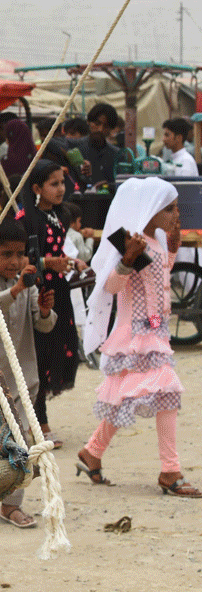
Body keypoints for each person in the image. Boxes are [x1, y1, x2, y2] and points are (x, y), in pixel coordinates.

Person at [80, 177, 200, 497]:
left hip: (153, 328)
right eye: (170, 208)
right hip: (135, 333)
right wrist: (127, 260)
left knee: (126, 395)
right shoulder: (129, 240)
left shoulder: (156, 238)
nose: (177, 215)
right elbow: (112, 287)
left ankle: (92, 452)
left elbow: (157, 281)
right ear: (149, 209)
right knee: (168, 390)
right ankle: (170, 471)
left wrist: (172, 250)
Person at [0, 217, 56, 527]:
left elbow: (44, 324)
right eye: (6, 254)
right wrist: (19, 288)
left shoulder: (26, 286)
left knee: (21, 442)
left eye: (20, 254)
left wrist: (46, 309)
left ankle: (11, 506)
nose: (15, 261)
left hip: (24, 380)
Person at [19, 159, 84, 449]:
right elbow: (20, 258)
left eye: (62, 183)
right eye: (54, 184)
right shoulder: (25, 220)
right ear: (36, 188)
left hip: (58, 289)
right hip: (37, 292)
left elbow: (57, 251)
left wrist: (71, 262)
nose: (61, 189)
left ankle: (40, 420)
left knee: (55, 351)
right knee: (39, 355)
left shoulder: (58, 215)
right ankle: (39, 422)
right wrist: (47, 262)